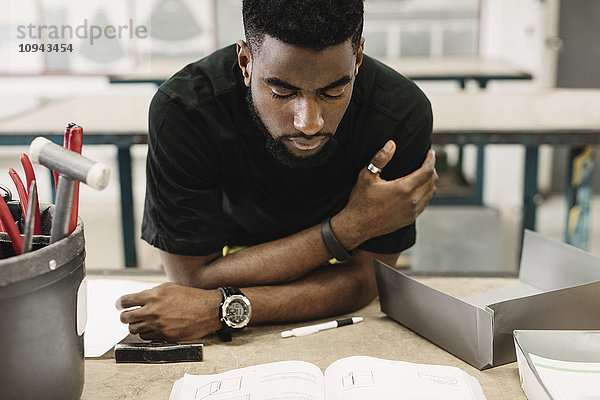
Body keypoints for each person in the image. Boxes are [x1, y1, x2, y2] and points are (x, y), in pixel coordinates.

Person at [117, 0, 438, 342]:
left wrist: (221, 305)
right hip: (234, 252)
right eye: (282, 91)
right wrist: (352, 226)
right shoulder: (185, 112)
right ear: (245, 62)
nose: (309, 123)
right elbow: (190, 279)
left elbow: (366, 280)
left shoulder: (400, 115)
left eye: (334, 91)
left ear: (357, 59)